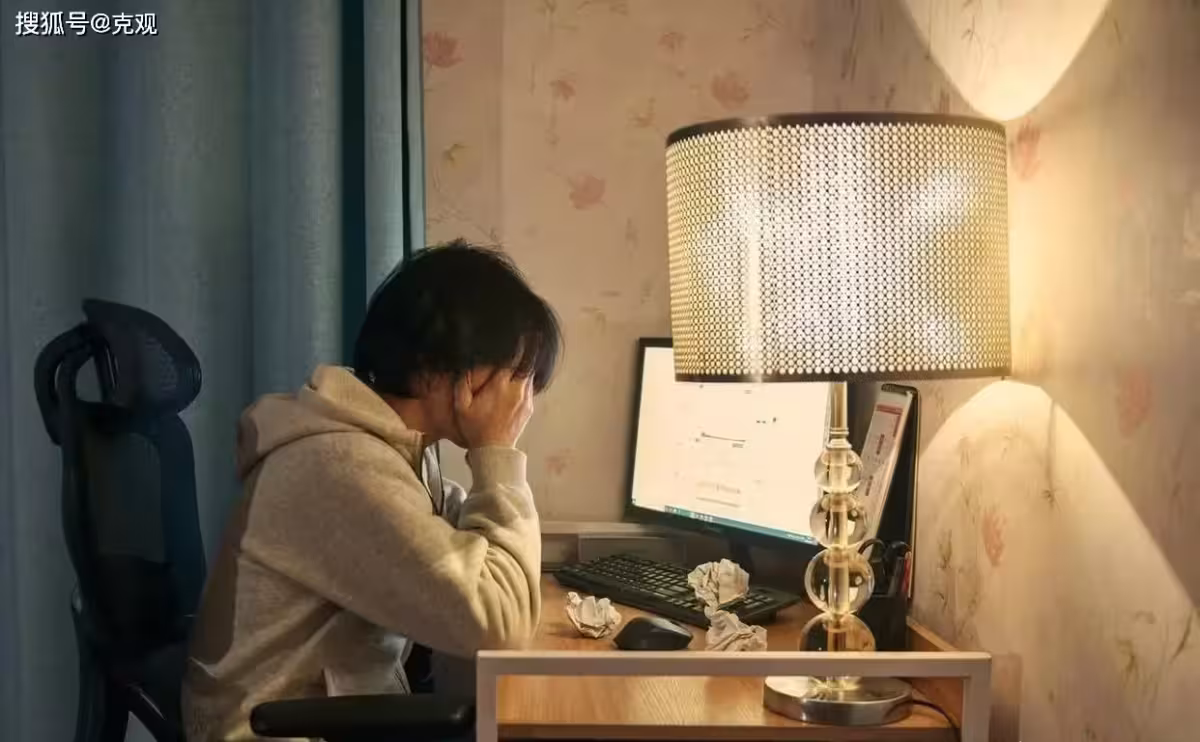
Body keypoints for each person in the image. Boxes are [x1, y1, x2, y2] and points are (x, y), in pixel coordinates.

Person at [182, 240, 562, 741]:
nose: (520, 400)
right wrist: (498, 451)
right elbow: (500, 625)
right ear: (436, 366)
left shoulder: (391, 450)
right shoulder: (340, 463)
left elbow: (473, 548)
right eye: (512, 375)